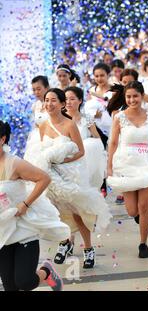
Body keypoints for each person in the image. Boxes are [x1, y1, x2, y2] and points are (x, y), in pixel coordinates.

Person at [37, 88, 111, 269]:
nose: (49, 104)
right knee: (58, 213)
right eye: (46, 100)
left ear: (62, 104)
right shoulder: (43, 126)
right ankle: (65, 243)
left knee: (77, 213)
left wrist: (63, 160)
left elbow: (81, 151)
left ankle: (88, 248)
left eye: (53, 100)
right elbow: (42, 152)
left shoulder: (70, 125)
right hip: (52, 176)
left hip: (71, 174)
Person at [0, 121, 70, 291]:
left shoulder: (14, 163)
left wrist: (25, 204)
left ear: (2, 139)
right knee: (10, 286)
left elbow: (44, 178)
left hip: (23, 227)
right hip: (2, 232)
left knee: (24, 281)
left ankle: (46, 271)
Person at [107, 81, 148, 257]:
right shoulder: (119, 117)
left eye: (135, 96)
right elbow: (112, 142)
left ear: (142, 97)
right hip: (126, 166)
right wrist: (109, 165)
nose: (132, 100)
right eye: (129, 96)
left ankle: (143, 243)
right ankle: (145, 211)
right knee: (132, 211)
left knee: (143, 208)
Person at [64, 86, 106, 190]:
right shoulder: (61, 118)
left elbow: (97, 139)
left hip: (84, 158)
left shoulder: (87, 118)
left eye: (72, 99)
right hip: (65, 158)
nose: (68, 102)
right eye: (66, 99)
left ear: (80, 101)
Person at [24, 76, 50, 164]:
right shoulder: (35, 105)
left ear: (47, 88)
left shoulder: (53, 103)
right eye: (34, 90)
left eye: (39, 89)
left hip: (51, 136)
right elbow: (36, 124)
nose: (36, 92)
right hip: (37, 137)